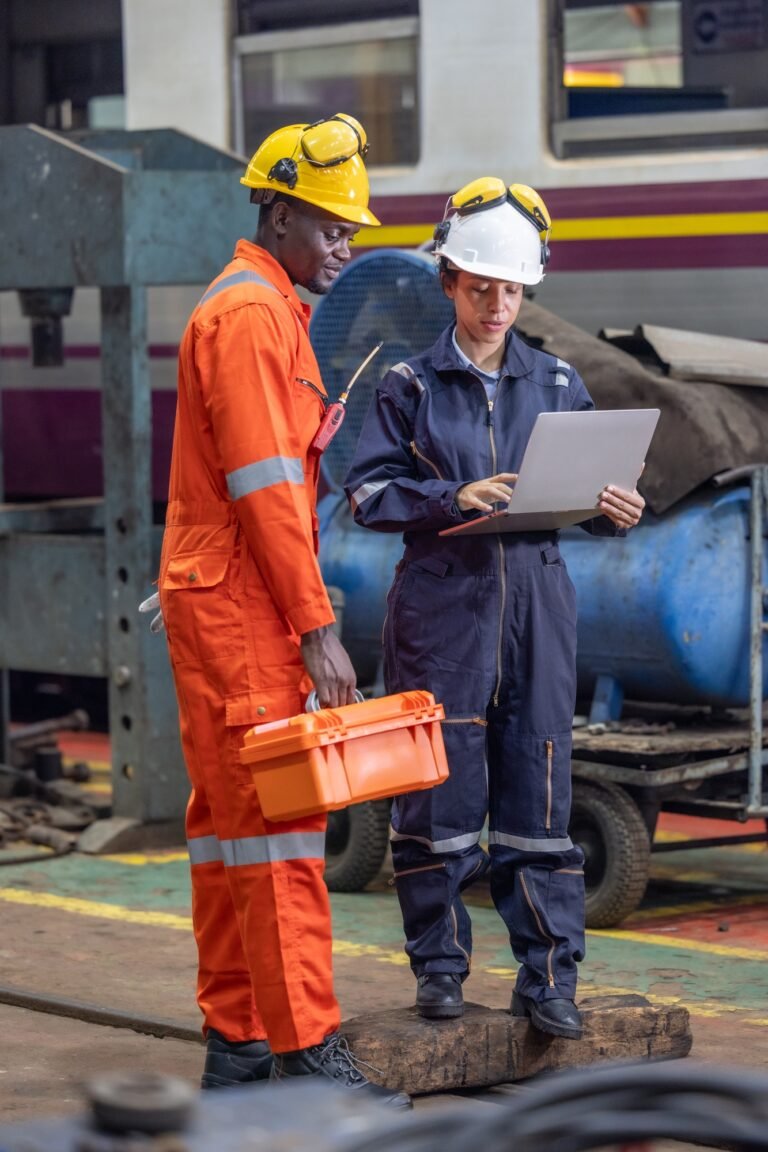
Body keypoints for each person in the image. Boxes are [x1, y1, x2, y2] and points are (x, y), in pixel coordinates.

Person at [344, 177, 646, 1040]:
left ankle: (548, 980)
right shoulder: (409, 385)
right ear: (448, 281)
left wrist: (616, 509)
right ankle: (440, 971)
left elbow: (595, 488)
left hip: (538, 610)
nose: (497, 306)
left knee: (540, 793)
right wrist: (453, 496)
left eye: (512, 290)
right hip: (443, 612)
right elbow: (366, 494)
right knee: (437, 800)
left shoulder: (557, 381)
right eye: (481, 288)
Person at [153, 115, 410, 1108]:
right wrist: (317, 627)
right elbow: (264, 488)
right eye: (333, 228)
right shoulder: (254, 316)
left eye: (350, 230)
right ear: (279, 213)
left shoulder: (259, 308)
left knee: (227, 830)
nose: (345, 247)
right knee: (276, 832)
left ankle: (238, 1043)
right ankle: (306, 1050)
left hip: (221, 598)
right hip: (244, 611)